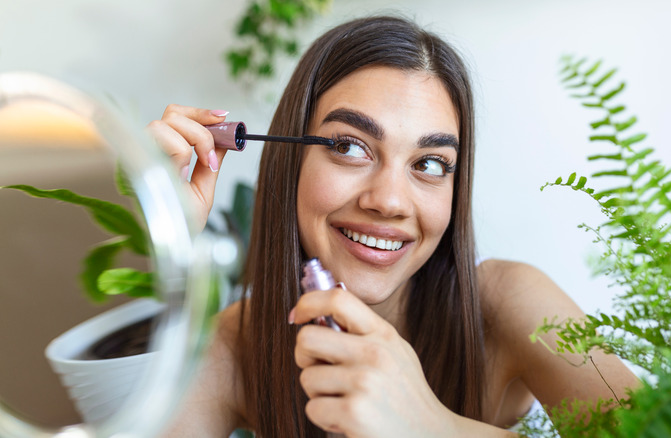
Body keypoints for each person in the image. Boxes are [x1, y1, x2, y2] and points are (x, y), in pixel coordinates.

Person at [148, 15, 638, 438]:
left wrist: (435, 427)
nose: (388, 201)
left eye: (429, 163)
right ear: (289, 163)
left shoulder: (507, 303)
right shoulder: (238, 343)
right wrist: (163, 236)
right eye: (349, 147)